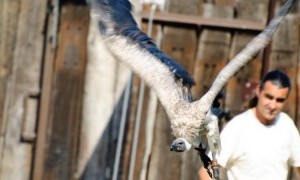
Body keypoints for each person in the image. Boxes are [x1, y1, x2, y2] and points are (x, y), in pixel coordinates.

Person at [198, 69, 300, 180]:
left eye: (279, 100)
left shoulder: (286, 125)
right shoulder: (238, 126)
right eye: (269, 97)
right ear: (258, 91)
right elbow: (206, 171)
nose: (273, 105)